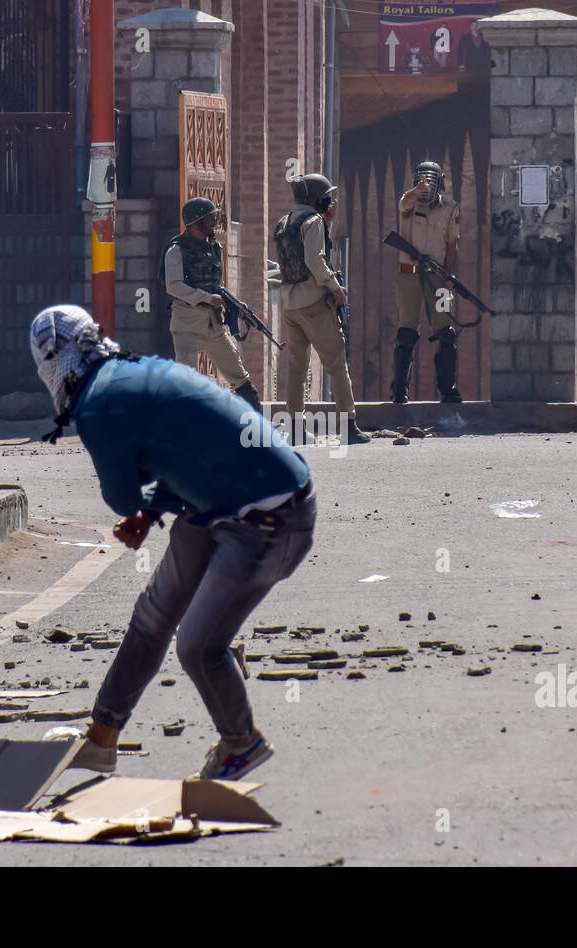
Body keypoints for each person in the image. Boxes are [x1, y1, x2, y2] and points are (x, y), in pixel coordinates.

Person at [30, 304, 315, 781]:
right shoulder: (133, 370)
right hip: (226, 502)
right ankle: (101, 740)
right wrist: (152, 511)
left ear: (51, 364)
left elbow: (119, 497)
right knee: (152, 617)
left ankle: (241, 743)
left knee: (198, 646)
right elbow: (186, 450)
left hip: (269, 519)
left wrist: (135, 506)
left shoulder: (98, 407)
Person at [273, 173, 370, 444]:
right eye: (327, 196)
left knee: (297, 366)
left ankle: (294, 427)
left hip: (290, 304)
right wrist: (335, 288)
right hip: (313, 302)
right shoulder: (313, 221)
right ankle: (348, 426)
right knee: (336, 362)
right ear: (319, 199)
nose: (331, 200)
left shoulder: (285, 222)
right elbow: (315, 260)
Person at [163, 197, 262, 412]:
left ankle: (256, 427)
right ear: (194, 222)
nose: (213, 223)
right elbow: (174, 286)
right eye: (208, 219)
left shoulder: (214, 247)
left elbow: (217, 285)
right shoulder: (176, 250)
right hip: (187, 323)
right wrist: (207, 298)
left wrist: (235, 305)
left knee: (238, 374)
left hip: (213, 324)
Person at [392, 160, 462, 404]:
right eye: (422, 180)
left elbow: (452, 247)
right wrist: (415, 191)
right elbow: (405, 203)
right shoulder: (409, 204)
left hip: (438, 279)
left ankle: (448, 389)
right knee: (407, 332)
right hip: (408, 275)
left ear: (439, 183)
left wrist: (451, 275)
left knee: (445, 333)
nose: (426, 186)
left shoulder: (450, 208)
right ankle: (399, 391)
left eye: (431, 181)